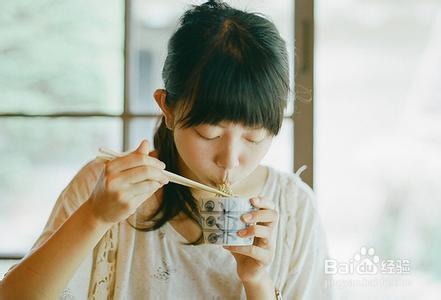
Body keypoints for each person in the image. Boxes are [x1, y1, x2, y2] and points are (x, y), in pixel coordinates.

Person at [0, 1, 333, 299]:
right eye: (208, 133)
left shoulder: (293, 207)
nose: (229, 160)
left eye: (253, 138)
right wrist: (94, 217)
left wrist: (256, 280)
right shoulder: (103, 186)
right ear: (168, 109)